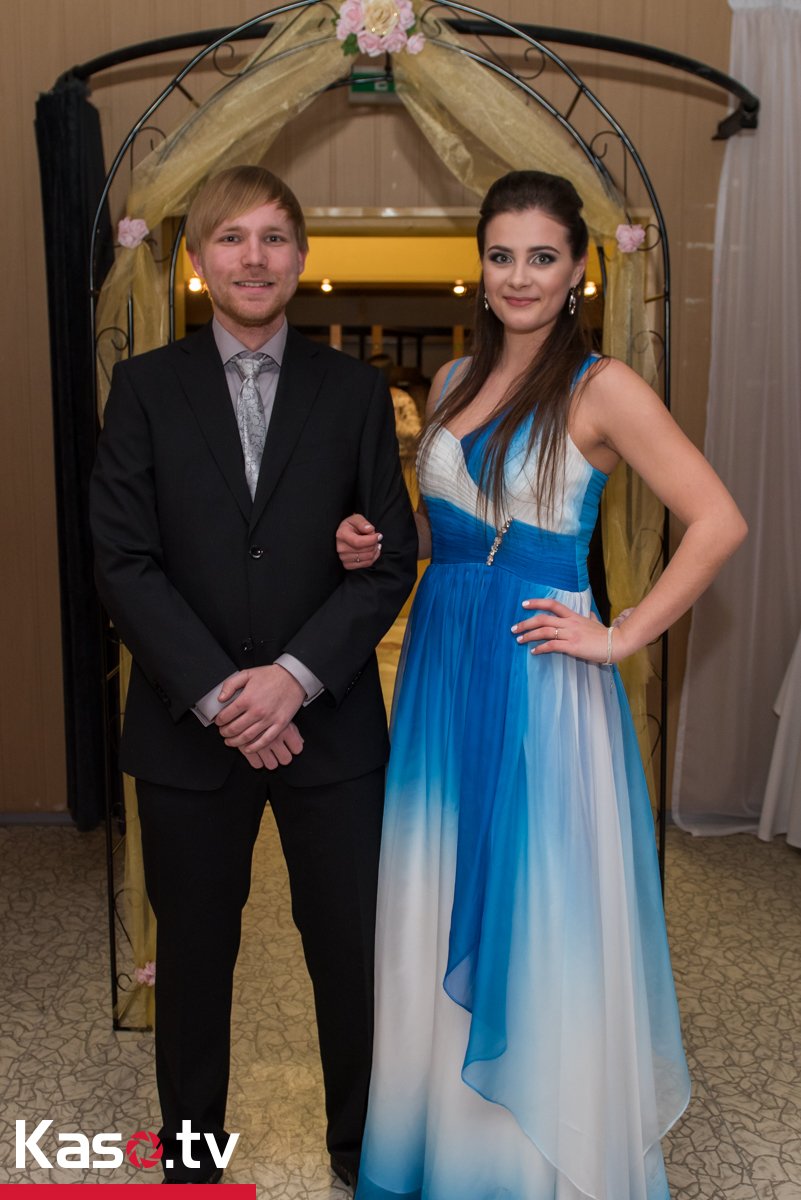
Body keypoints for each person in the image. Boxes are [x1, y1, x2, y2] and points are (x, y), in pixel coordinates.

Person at [335, 170, 747, 1200]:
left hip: (539, 678)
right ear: (479, 266)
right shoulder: (449, 382)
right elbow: (450, 527)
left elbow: (717, 520)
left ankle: (529, 1168)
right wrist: (379, 540)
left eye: (542, 257)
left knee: (536, 901)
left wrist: (621, 634)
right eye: (501, 255)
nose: (518, 276)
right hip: (440, 664)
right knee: (435, 888)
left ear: (576, 273)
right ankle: (442, 1150)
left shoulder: (602, 388)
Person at [90, 165, 418, 1187]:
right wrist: (226, 694)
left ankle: (361, 1152)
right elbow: (123, 561)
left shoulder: (354, 392)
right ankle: (193, 1158)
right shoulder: (145, 389)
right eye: (231, 238)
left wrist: (293, 678)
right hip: (187, 732)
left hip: (331, 728)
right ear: (198, 260)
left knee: (349, 954)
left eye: (274, 237)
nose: (254, 257)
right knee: (194, 958)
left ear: (302, 257)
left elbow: (389, 558)